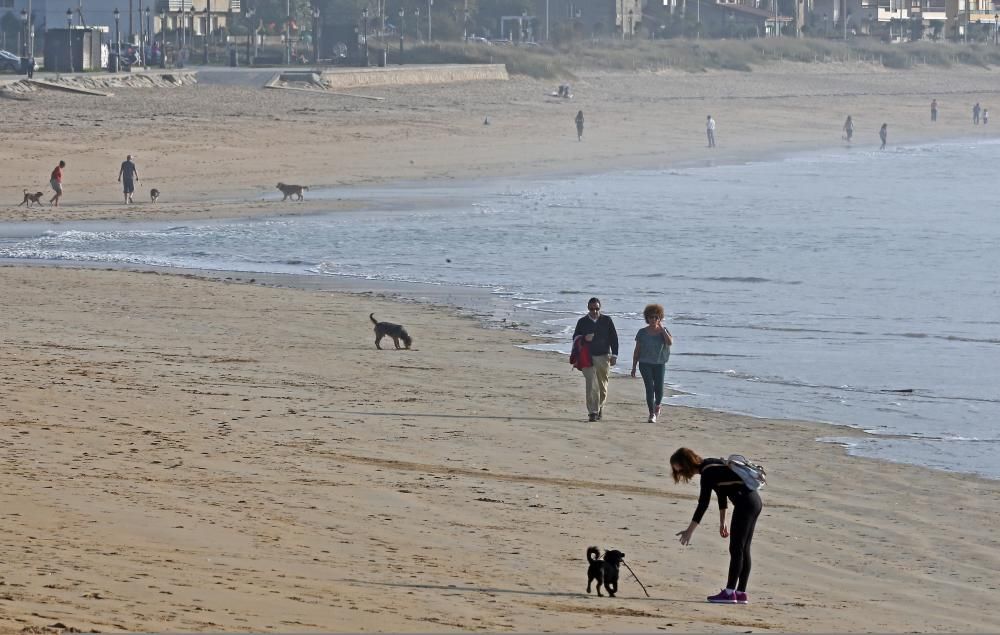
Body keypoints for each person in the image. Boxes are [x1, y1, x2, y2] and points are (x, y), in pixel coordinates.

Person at [671, 447, 762, 605]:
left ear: (685, 464)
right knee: (743, 548)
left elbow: (703, 504)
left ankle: (729, 593)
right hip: (754, 502)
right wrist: (723, 522)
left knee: (736, 549)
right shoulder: (711, 464)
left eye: (678, 468)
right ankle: (740, 593)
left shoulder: (707, 474)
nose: (679, 472)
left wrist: (689, 531)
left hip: (745, 504)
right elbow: (722, 495)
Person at [572, 297, 619, 422]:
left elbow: (614, 338)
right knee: (591, 384)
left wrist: (614, 355)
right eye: (592, 309)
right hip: (587, 357)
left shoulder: (607, 320)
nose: (594, 311)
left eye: (597, 308)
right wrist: (584, 338)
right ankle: (592, 412)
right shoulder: (582, 322)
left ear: (600, 308)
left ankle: (600, 406)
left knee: (602, 386)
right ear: (588, 308)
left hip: (603, 356)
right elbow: (575, 338)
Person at [630, 304, 673, 423]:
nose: (653, 319)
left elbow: (669, 343)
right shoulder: (642, 332)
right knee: (649, 388)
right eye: (651, 317)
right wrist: (633, 367)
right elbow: (637, 350)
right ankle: (651, 414)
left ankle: (657, 405)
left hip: (659, 363)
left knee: (659, 389)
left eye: (656, 317)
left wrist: (662, 329)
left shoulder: (663, 331)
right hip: (645, 363)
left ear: (660, 318)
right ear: (647, 318)